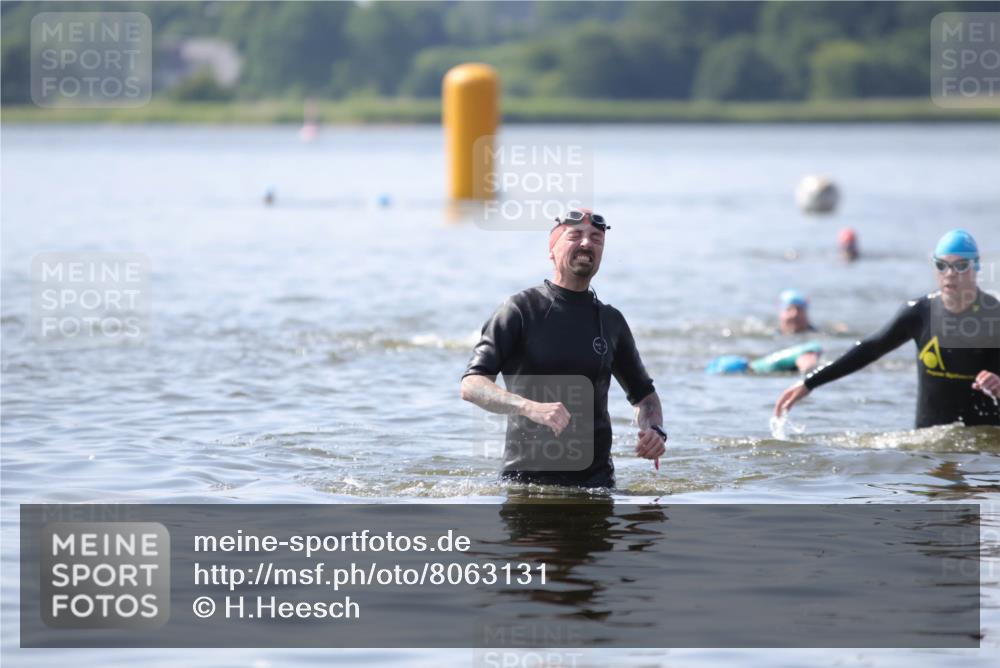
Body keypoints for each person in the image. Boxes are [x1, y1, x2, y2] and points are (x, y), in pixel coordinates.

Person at [460, 209, 665, 488]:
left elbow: (645, 398)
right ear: (552, 250)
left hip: (597, 484)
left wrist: (654, 431)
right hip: (527, 484)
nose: (586, 243)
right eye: (575, 235)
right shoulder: (520, 310)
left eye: (596, 238)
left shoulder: (611, 321)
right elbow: (472, 385)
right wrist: (528, 407)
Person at [774, 229, 1000, 428]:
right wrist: (810, 382)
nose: (950, 273)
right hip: (930, 445)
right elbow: (869, 349)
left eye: (960, 266)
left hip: (985, 452)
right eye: (942, 265)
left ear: (976, 267)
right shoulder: (919, 313)